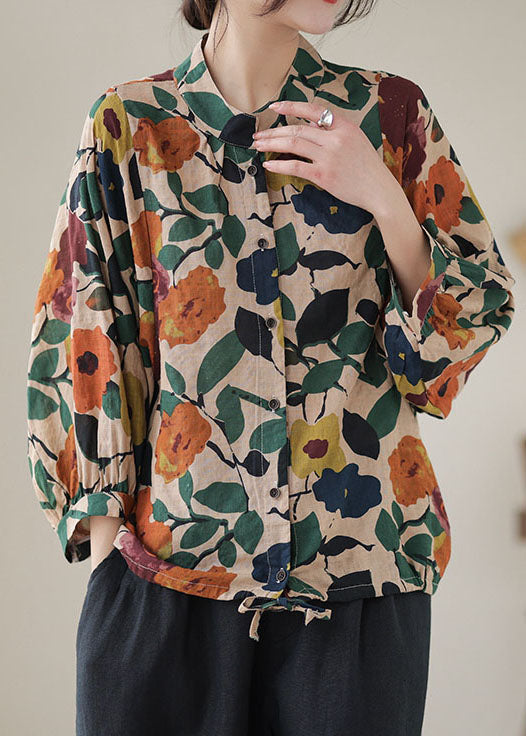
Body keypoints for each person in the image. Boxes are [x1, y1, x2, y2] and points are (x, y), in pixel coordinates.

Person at [26, 0, 516, 734]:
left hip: (359, 587)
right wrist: (109, 571)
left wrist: (382, 198)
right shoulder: (129, 127)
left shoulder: (390, 117)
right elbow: (84, 341)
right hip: (167, 587)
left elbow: (456, 338)